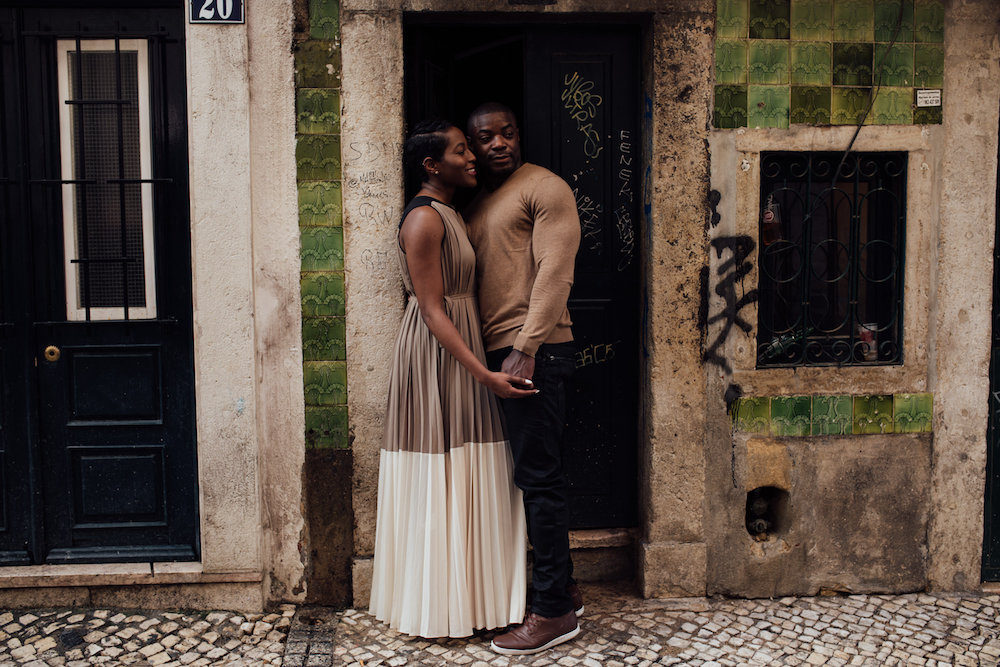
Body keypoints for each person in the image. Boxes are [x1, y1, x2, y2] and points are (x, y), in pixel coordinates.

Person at [369, 119, 535, 639]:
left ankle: (479, 599)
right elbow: (433, 309)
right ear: (430, 164)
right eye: (462, 150)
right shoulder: (424, 220)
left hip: (462, 350)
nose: (472, 158)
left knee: (474, 464)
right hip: (441, 352)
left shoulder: (450, 212)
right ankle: (441, 604)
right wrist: (484, 373)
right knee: (444, 469)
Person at [464, 103, 583, 655]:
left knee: (539, 480)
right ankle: (566, 591)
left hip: (535, 353)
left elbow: (555, 272)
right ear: (470, 145)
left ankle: (553, 612)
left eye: (507, 132)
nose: (498, 143)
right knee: (537, 477)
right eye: (485, 137)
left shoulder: (545, 187)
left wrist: (525, 349)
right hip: (499, 354)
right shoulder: (482, 199)